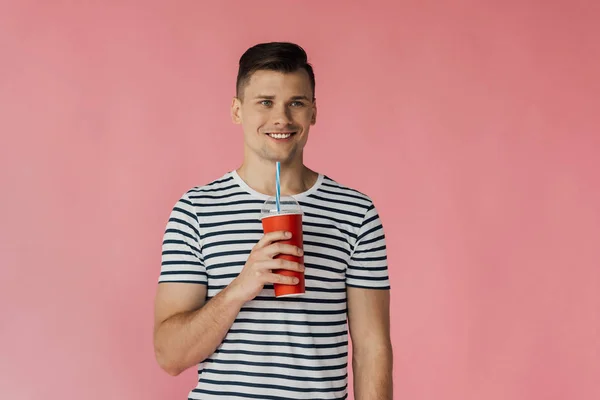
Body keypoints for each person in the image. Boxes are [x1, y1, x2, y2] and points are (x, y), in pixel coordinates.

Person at [153, 41, 393, 400]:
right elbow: (170, 356)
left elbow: (372, 349)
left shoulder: (355, 212)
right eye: (264, 102)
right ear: (237, 111)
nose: (281, 118)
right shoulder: (195, 210)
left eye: (296, 103)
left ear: (313, 112)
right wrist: (241, 287)